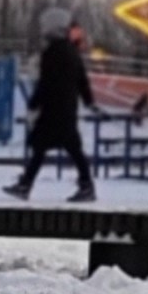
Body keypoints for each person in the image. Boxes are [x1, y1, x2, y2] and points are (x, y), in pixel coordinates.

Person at [6, 12, 95, 200]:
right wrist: (89, 101)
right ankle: (85, 186)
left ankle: (26, 185)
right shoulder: (72, 52)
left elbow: (45, 82)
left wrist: (34, 102)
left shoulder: (51, 53)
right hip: (67, 107)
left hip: (53, 108)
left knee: (45, 146)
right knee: (67, 147)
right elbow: (82, 80)